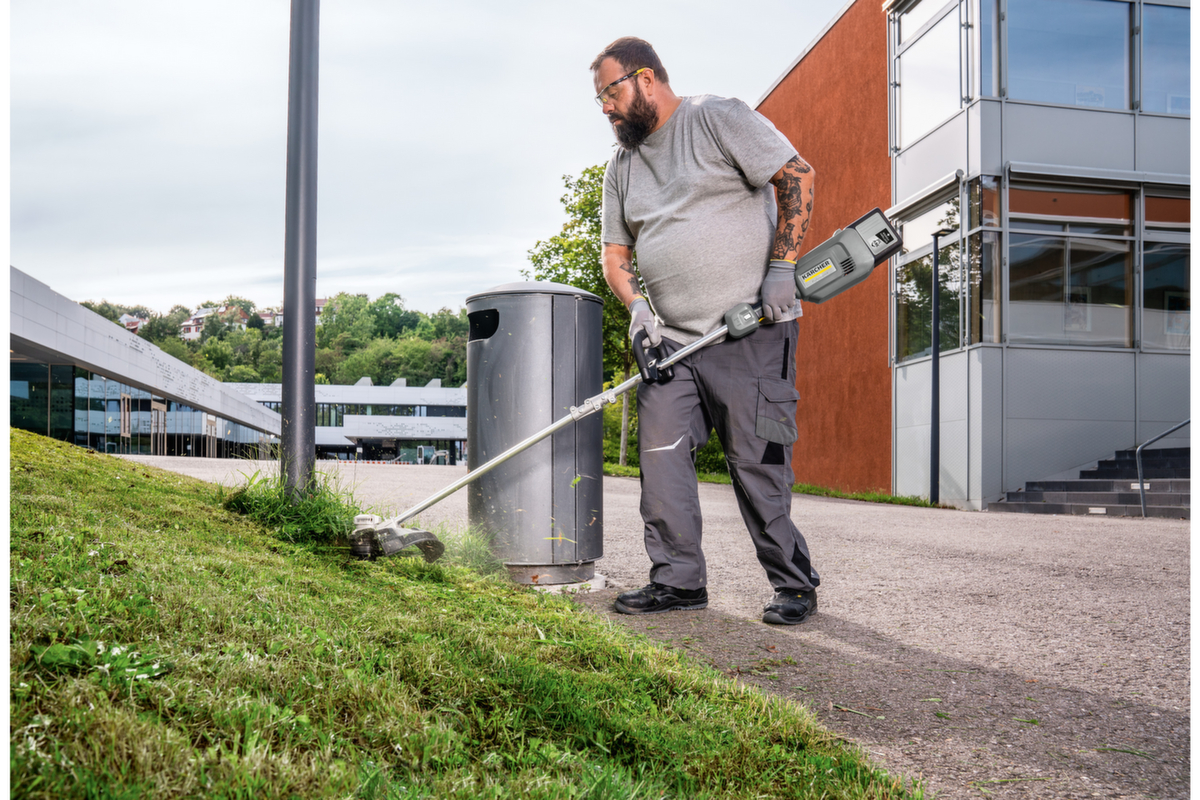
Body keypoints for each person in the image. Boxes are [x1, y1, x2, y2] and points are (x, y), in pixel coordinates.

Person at [592, 37, 820, 625]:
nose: (606, 109)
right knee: (662, 459)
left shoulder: (714, 117)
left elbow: (796, 176)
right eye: (599, 100)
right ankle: (678, 581)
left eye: (611, 93)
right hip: (672, 342)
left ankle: (794, 584)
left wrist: (781, 269)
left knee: (756, 464)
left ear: (646, 79)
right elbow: (615, 255)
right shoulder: (620, 167)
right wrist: (639, 311)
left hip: (751, 330)